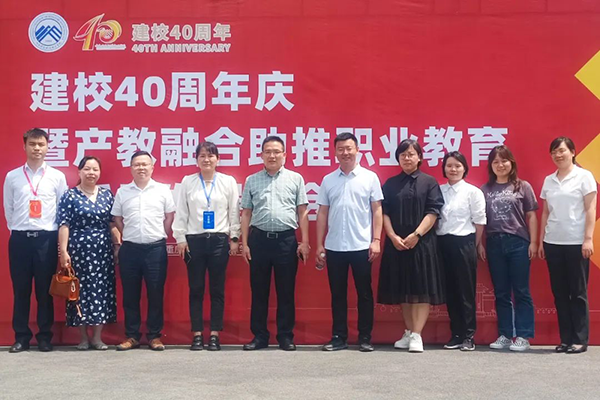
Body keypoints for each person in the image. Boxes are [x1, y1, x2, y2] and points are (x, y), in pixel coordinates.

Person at [240, 136, 310, 351]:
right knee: (259, 291)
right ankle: (259, 336)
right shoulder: (252, 180)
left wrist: (305, 241)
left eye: (276, 152)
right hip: (259, 240)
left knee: (286, 291)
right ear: (261, 155)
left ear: (284, 155)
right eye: (268, 152)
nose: (272, 156)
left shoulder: (295, 179)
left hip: (286, 241)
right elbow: (246, 213)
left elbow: (302, 211)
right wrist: (245, 243)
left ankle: (285, 336)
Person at [315, 132, 383, 352]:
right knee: (338, 294)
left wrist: (376, 240)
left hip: (361, 245)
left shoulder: (370, 177)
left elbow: (377, 210)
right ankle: (338, 337)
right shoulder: (328, 180)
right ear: (335, 152)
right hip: (334, 246)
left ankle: (365, 337)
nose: (345, 153)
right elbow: (322, 213)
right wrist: (319, 244)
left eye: (349, 148)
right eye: (341, 149)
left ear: (357, 150)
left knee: (364, 293)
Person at [3, 128, 67, 353]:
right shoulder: (13, 176)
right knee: (21, 291)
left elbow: (61, 210)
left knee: (44, 291)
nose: (37, 148)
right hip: (20, 240)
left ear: (48, 147)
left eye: (41, 144)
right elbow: (9, 209)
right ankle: (21, 337)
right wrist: (19, 229)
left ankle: (44, 337)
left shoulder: (57, 176)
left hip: (46, 240)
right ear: (25, 146)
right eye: (32, 144)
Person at [377, 139, 445, 353]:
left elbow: (433, 211)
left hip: (422, 243)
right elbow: (384, 212)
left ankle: (417, 334)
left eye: (411, 154)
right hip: (397, 244)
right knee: (403, 290)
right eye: (403, 155)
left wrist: (416, 234)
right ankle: (408, 332)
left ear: (419, 158)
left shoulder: (429, 182)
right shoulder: (390, 184)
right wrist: (392, 236)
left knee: (421, 289)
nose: (407, 158)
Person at [173, 142, 241, 351]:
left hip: (219, 240)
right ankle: (196, 334)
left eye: (211, 156)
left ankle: (214, 334)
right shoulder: (188, 181)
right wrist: (180, 238)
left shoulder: (228, 182)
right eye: (202, 156)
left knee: (217, 289)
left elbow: (233, 211)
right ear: (196, 160)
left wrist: (235, 237)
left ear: (218, 159)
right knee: (196, 288)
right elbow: (181, 211)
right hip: (194, 241)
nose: (206, 160)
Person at [111, 151, 176, 351]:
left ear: (152, 167)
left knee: (155, 294)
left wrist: (160, 234)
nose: (141, 168)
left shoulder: (162, 190)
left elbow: (169, 216)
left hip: (155, 249)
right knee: (130, 295)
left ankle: (154, 336)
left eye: (145, 164)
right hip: (130, 249)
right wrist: (128, 234)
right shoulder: (123, 192)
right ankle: (132, 336)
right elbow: (117, 219)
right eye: (137, 164)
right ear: (131, 168)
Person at [538, 137, 597, 354]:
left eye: (562, 150)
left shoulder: (584, 176)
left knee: (578, 292)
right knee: (560, 293)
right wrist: (542, 240)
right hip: (553, 242)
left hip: (576, 242)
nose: (558, 155)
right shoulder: (549, 180)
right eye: (554, 152)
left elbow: (590, 209)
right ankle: (566, 339)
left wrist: (588, 238)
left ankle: (580, 339)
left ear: (572, 152)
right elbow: (546, 212)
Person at [57, 156, 120, 350]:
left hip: (102, 252)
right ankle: (83, 338)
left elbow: (112, 223)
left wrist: (117, 244)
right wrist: (63, 251)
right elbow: (64, 225)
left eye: (95, 169)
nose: (91, 173)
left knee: (101, 291)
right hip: (79, 252)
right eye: (87, 169)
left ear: (100, 173)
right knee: (79, 292)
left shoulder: (107, 195)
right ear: (79, 172)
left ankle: (98, 338)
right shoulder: (70, 195)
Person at [479, 145, 538, 352]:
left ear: (511, 163)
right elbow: (480, 220)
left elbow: (531, 216)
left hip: (518, 243)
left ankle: (523, 335)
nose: (500, 165)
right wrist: (480, 243)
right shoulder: (485, 190)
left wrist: (533, 242)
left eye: (504, 160)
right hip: (494, 243)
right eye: (495, 162)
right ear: (491, 166)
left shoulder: (523, 186)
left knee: (521, 291)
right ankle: (505, 334)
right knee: (501, 292)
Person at [436, 151, 486, 351]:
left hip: (465, 243)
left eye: (457, 165)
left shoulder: (473, 192)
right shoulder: (438, 190)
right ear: (444, 168)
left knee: (466, 291)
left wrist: (475, 244)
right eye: (449, 165)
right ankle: (456, 333)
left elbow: (479, 221)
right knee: (450, 291)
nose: (453, 169)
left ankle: (468, 335)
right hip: (442, 244)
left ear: (464, 168)